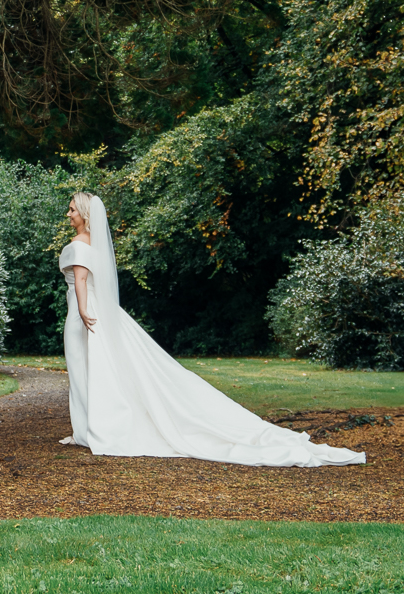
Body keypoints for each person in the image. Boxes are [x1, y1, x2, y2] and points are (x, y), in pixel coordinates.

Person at [59, 191, 366, 467]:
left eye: (72, 209)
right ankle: (85, 429)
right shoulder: (92, 245)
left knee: (84, 369)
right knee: (93, 369)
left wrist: (83, 311)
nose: (69, 214)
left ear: (84, 214)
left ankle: (88, 430)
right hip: (93, 309)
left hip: (83, 312)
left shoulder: (77, 245)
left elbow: (82, 280)